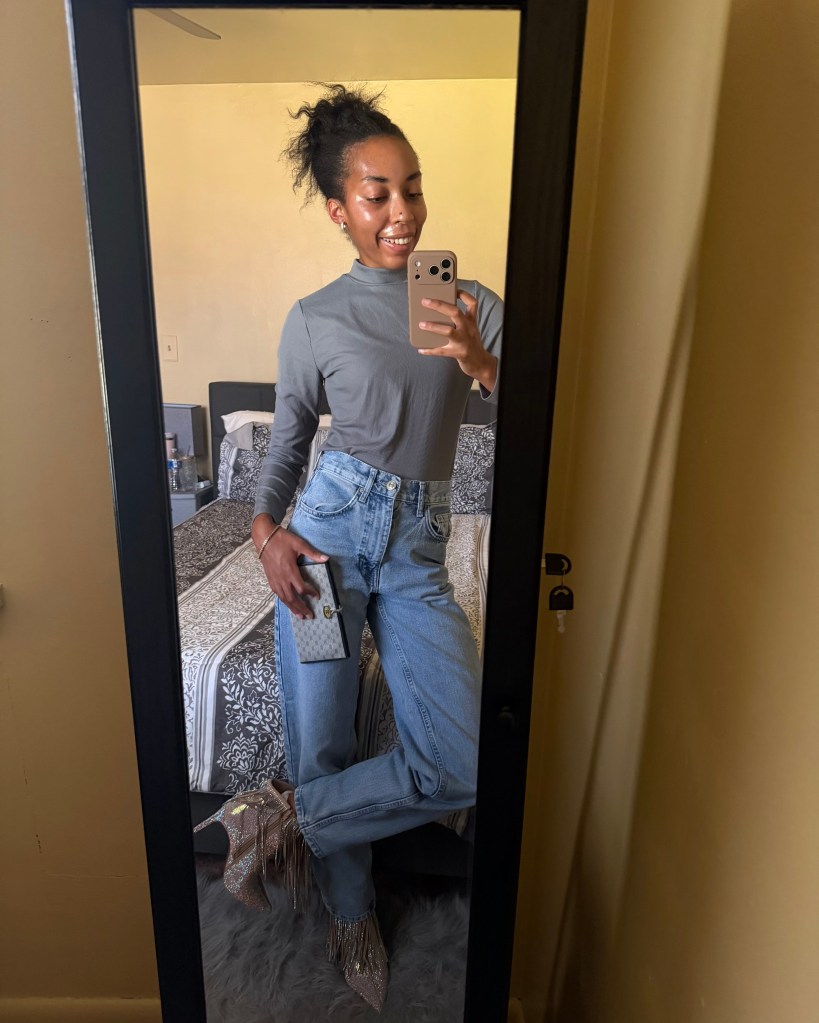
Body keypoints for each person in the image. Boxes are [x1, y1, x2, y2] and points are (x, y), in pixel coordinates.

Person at [196, 84, 502, 1012]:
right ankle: (350, 912)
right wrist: (263, 534)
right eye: (377, 194)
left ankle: (283, 816)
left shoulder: (471, 303)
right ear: (339, 210)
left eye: (412, 187)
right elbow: (287, 441)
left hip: (417, 548)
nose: (402, 211)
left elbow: (550, 410)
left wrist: (479, 364)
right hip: (323, 547)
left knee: (464, 758)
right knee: (322, 735)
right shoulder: (314, 317)